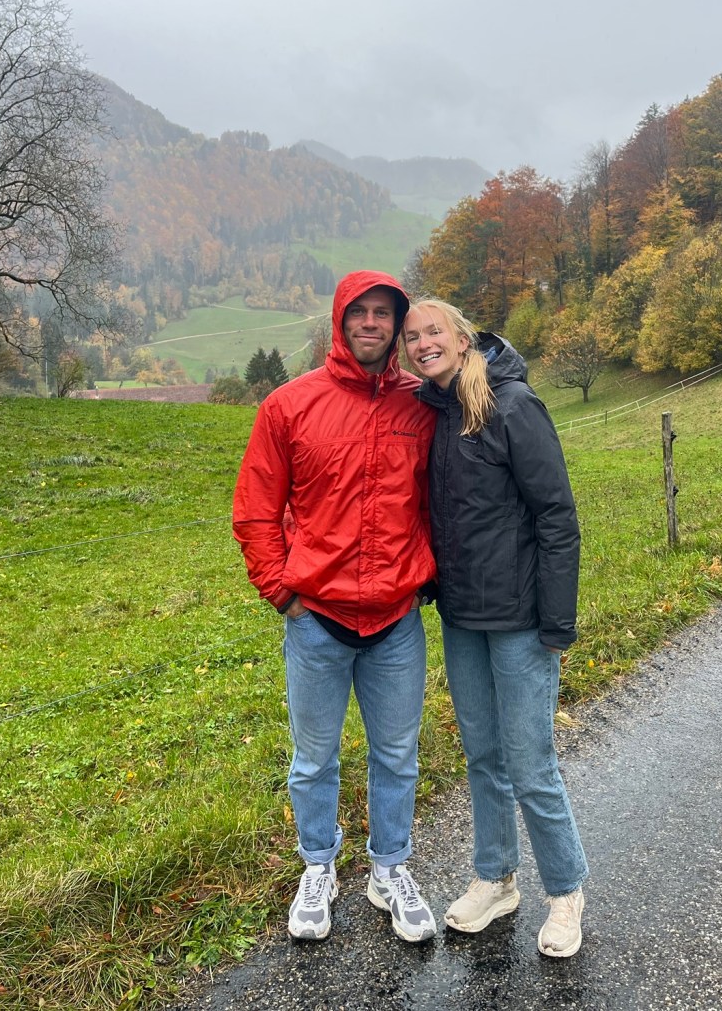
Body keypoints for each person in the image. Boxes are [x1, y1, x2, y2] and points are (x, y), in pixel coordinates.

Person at [233, 271, 438, 944]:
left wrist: (427, 574)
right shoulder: (290, 405)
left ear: (395, 324)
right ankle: (318, 865)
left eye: (385, 313)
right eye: (361, 312)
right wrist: (281, 591)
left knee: (398, 754)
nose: (372, 323)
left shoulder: (420, 406)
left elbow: (446, 492)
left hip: (396, 621)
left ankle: (390, 866)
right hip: (316, 617)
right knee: (314, 758)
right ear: (340, 320)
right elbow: (256, 508)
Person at [403, 298, 589, 958]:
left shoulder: (512, 404)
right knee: (482, 755)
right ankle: (496, 877)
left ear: (459, 337)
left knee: (530, 762)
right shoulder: (437, 411)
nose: (422, 343)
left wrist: (556, 624)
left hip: (519, 622)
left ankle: (565, 892)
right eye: (411, 336)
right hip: (462, 617)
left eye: (432, 331)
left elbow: (557, 518)